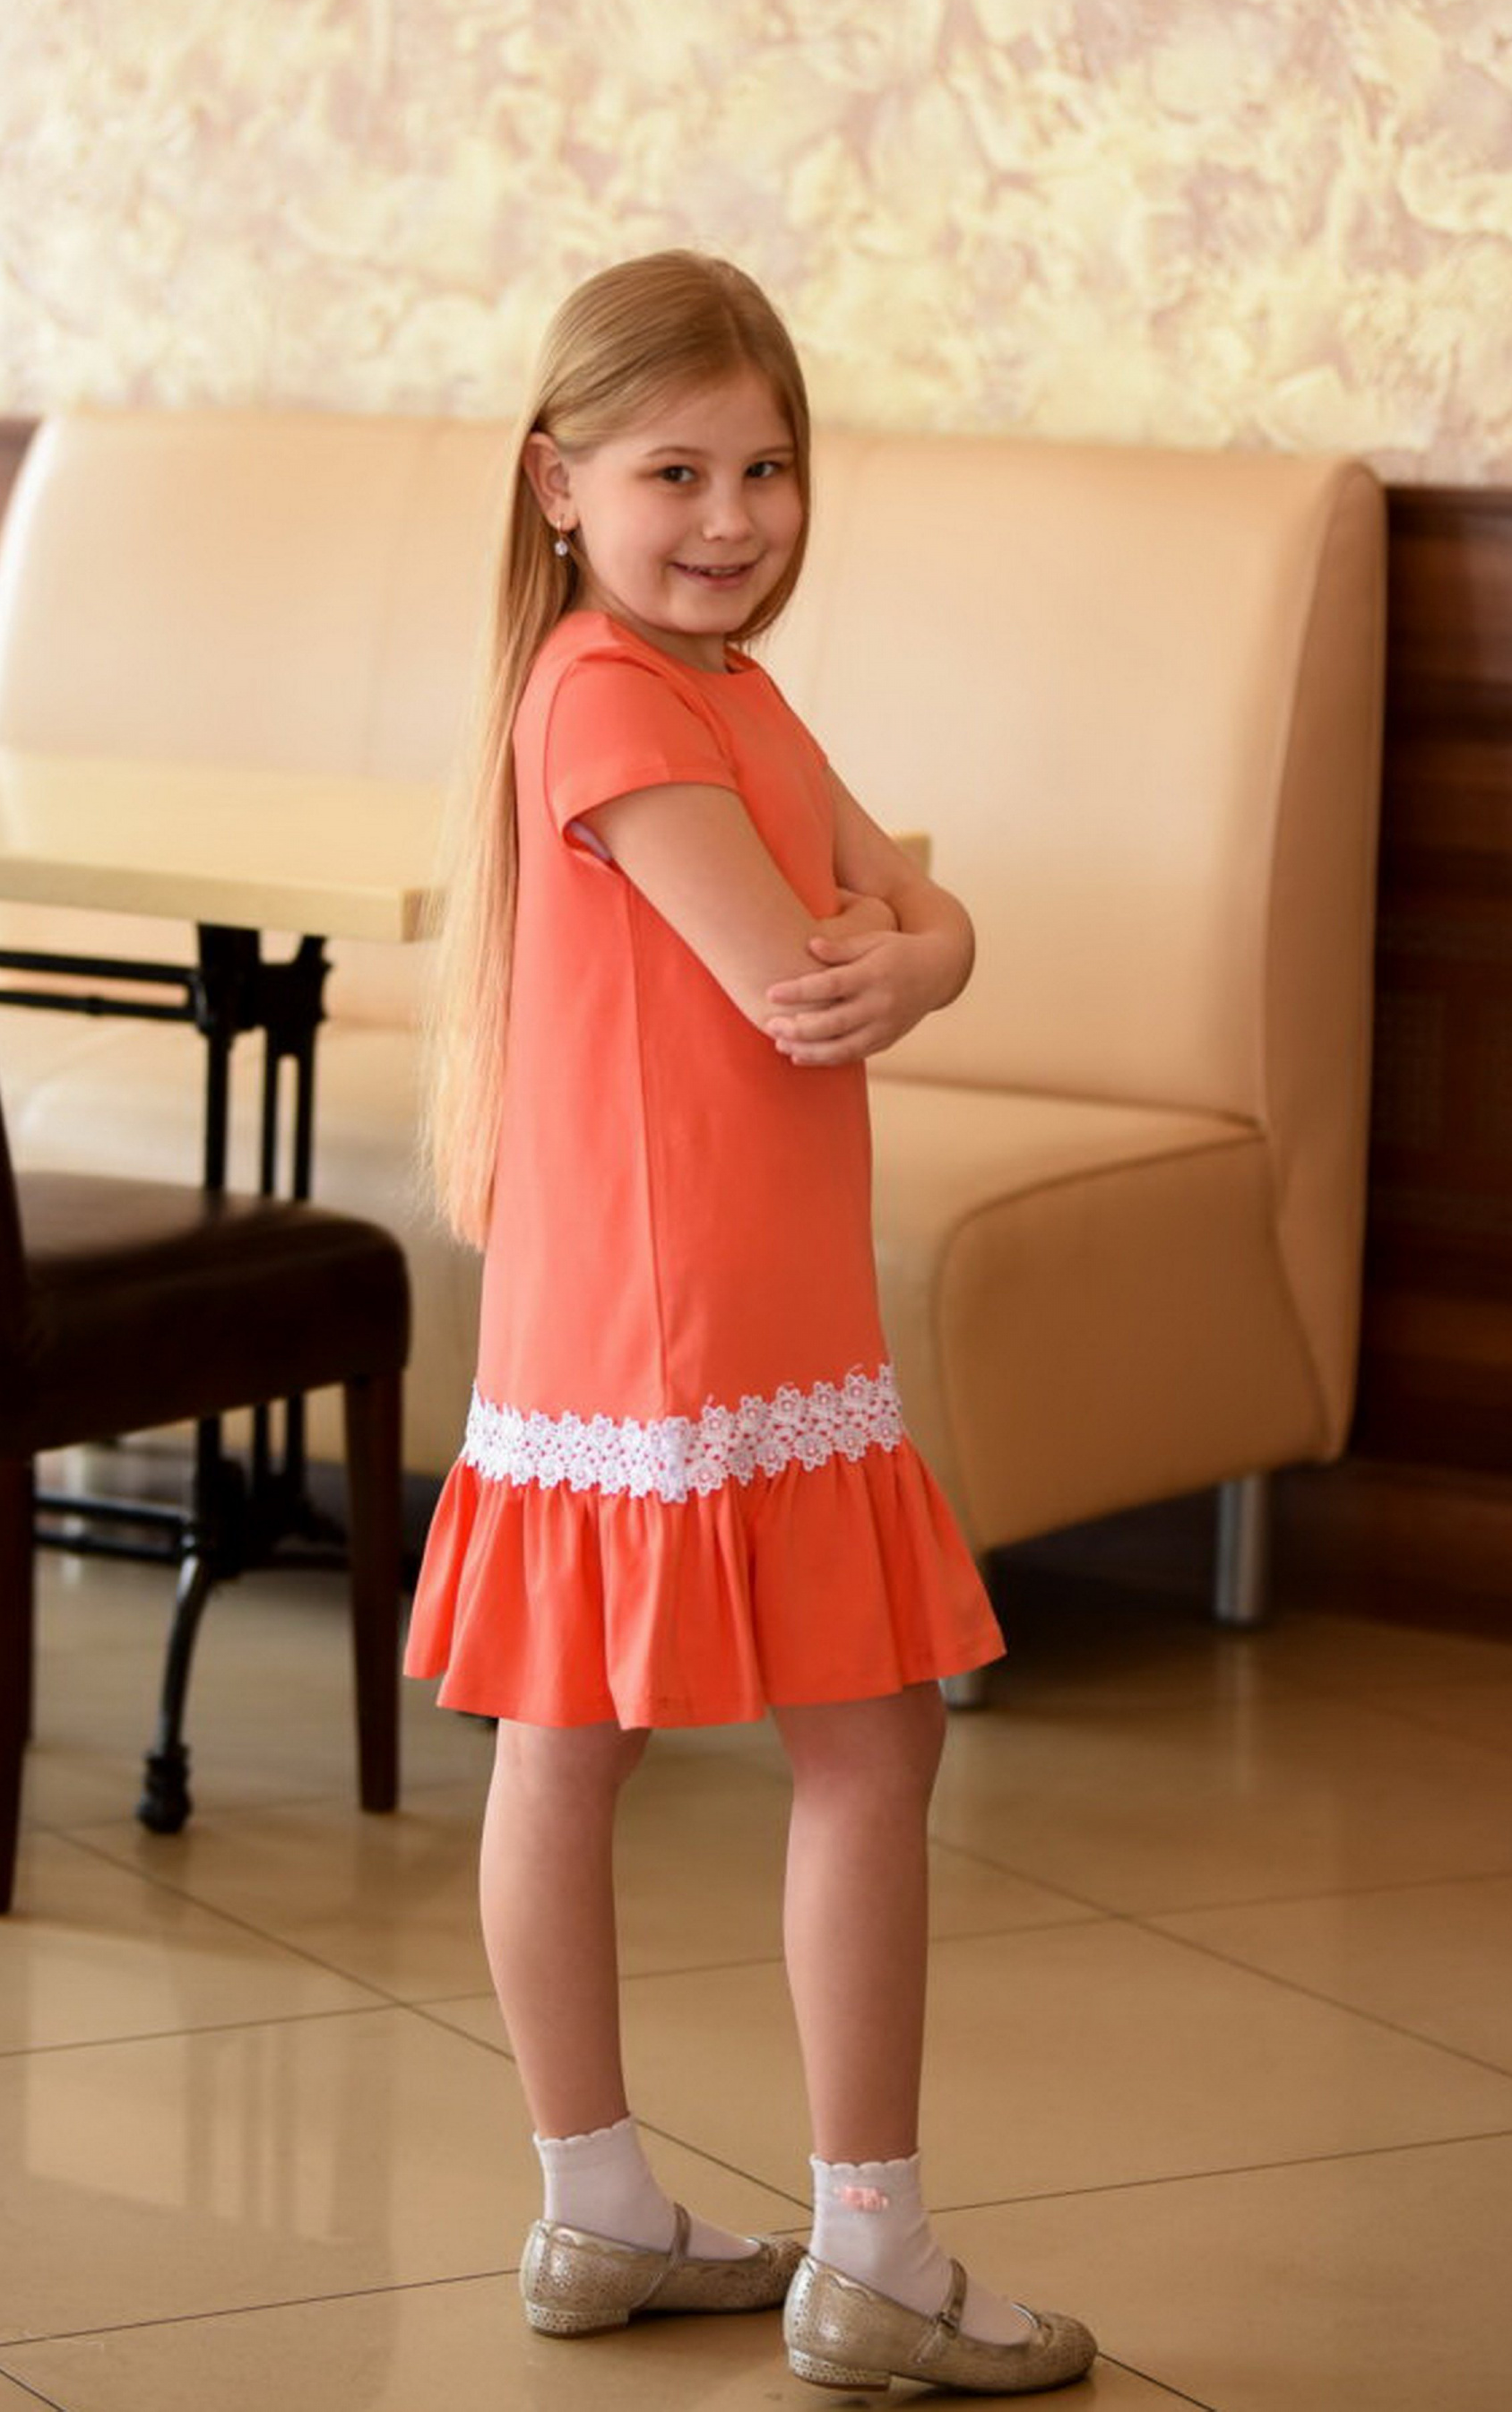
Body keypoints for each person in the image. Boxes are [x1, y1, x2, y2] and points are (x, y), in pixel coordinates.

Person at [404, 248, 1096, 2396]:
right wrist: (901, 945)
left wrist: (926, 943)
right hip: (691, 1307)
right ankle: (868, 2253)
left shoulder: (724, 689)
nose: (730, 517)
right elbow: (806, 973)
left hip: (666, 1297)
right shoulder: (613, 695)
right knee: (862, 1741)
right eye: (673, 472)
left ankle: (596, 2208)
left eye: (765, 467)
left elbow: (913, 904)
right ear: (556, 484)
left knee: (578, 1737)